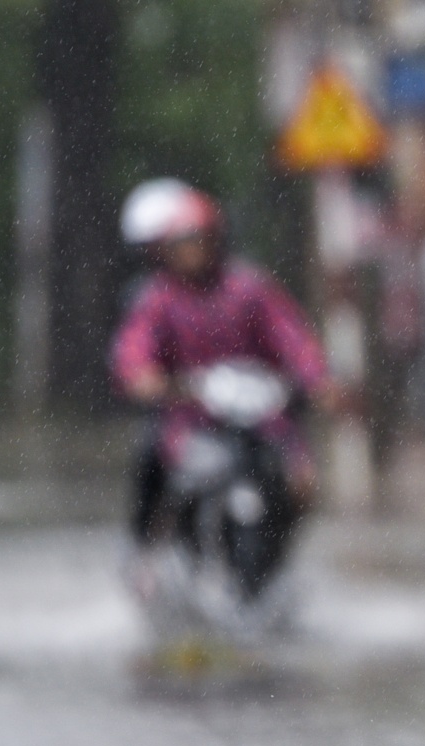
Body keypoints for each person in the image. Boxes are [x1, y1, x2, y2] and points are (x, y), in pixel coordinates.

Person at [111, 179, 337, 586]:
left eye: (198, 241)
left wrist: (318, 380)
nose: (191, 252)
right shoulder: (159, 300)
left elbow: (294, 338)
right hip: (192, 421)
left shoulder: (250, 290)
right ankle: (145, 551)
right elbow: (136, 348)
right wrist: (143, 377)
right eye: (182, 244)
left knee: (302, 483)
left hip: (263, 421)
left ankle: (276, 562)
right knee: (153, 459)